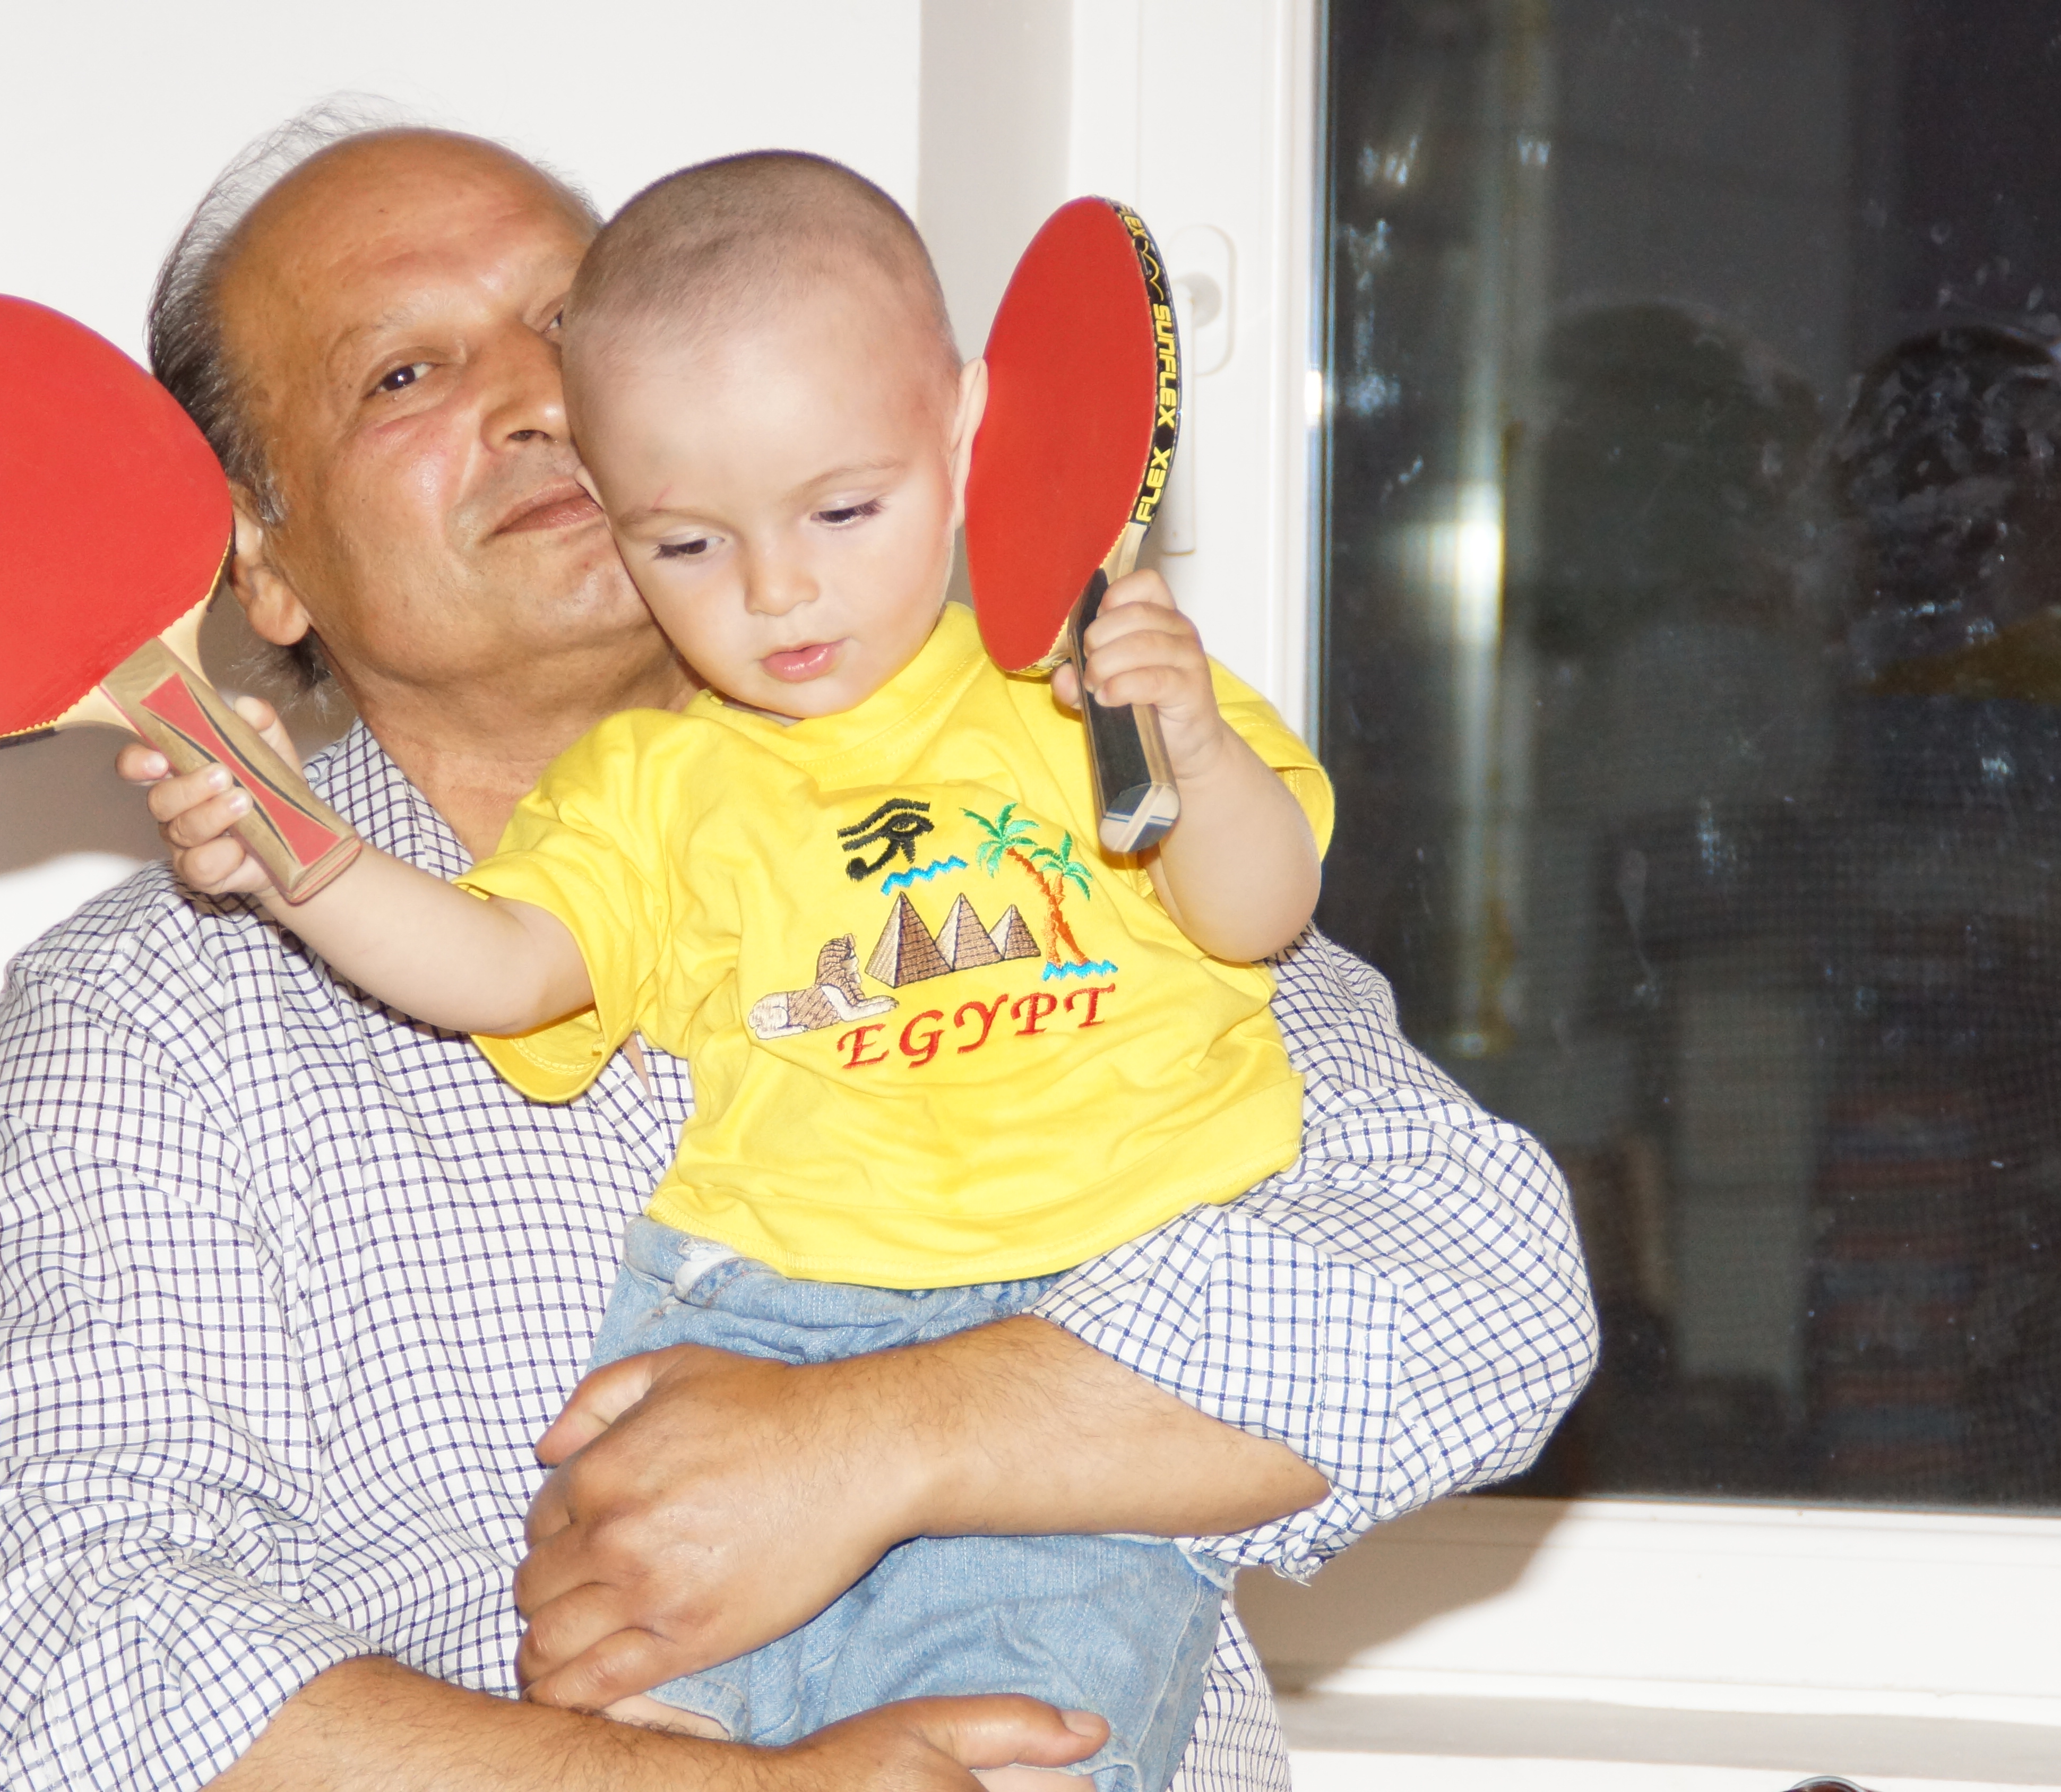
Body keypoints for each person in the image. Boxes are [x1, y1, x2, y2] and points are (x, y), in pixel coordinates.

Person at [0, 107, 1597, 1792]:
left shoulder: (1062, 764)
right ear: (261, 562)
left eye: (570, 325)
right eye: (404, 373)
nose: (541, 401)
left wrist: (867, 1444)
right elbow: (38, 1645)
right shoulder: (150, 1015)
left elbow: (1487, 1294)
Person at [151, 149, 1320, 1792]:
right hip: (758, 1313)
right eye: (405, 372)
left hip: (1088, 1298)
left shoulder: (1088, 711)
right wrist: (310, 865)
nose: (776, 589)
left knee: (1036, 1724)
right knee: (644, 1696)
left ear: (961, 439)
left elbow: (1272, 942)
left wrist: (1188, 745)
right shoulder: (643, 795)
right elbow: (505, 961)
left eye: (839, 513)